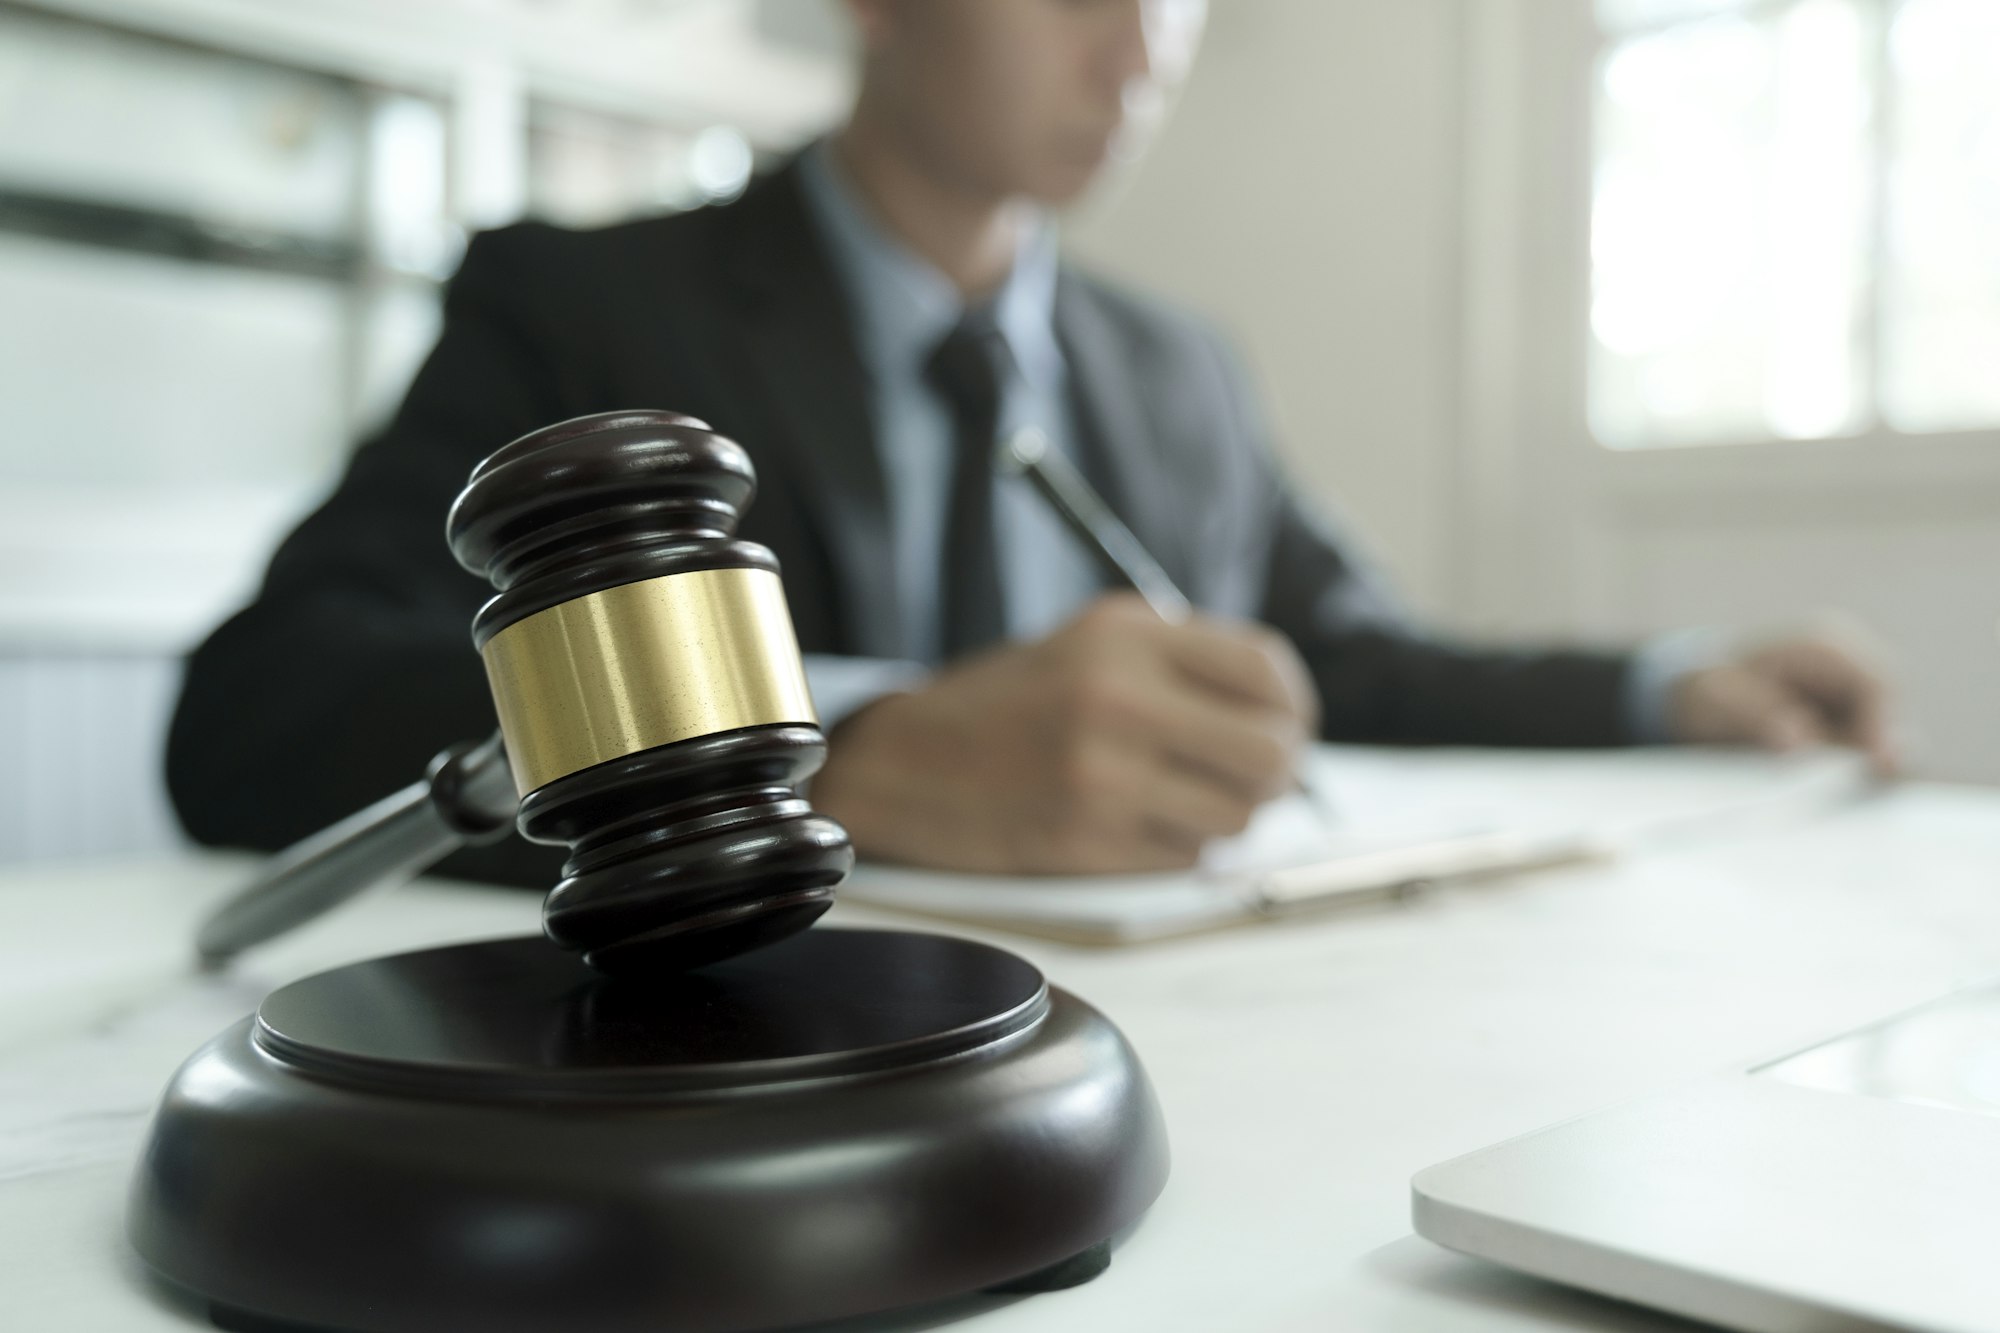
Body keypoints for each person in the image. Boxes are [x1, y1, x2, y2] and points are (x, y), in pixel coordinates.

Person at [166, 0, 1895, 886]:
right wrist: (835, 748)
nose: (1140, 48)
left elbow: (1344, 658)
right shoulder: (589, 307)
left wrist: (1668, 690)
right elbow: (267, 707)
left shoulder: (1178, 371)